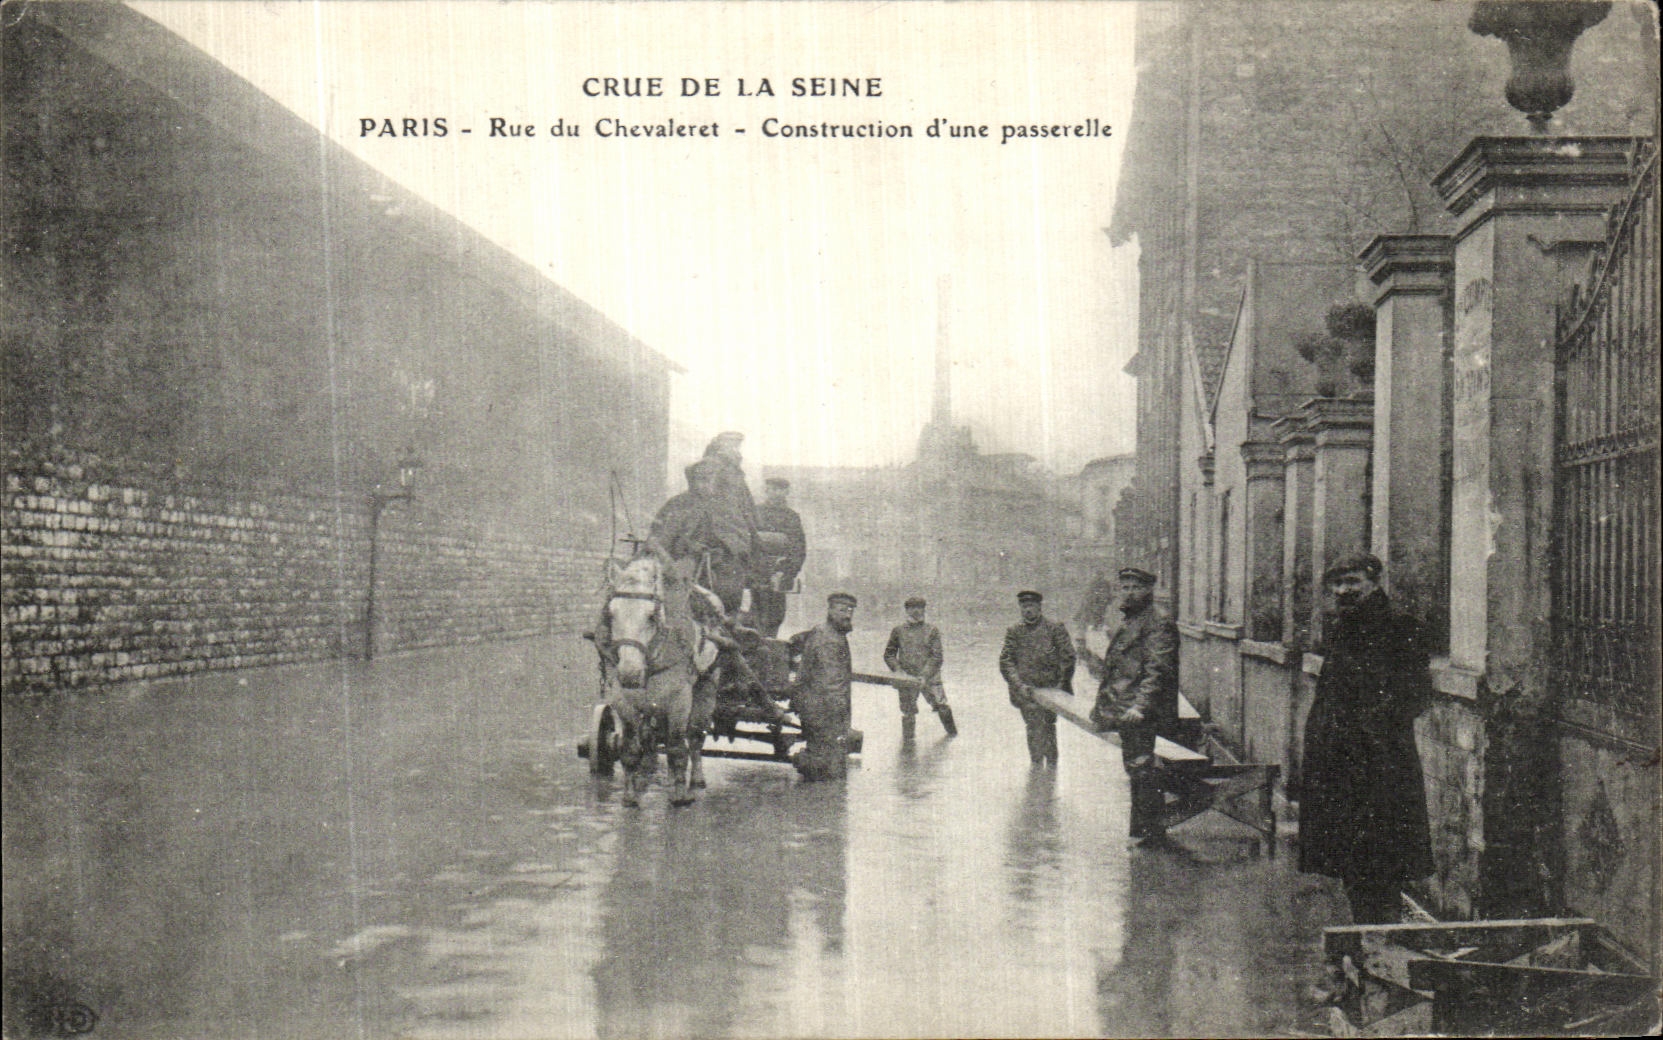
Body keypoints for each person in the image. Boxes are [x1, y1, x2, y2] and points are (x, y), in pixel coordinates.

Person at [1298, 552, 1434, 924]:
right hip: (1341, 764)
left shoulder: (1399, 627)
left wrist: (1371, 731)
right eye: (1338, 583)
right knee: (1353, 860)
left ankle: (1379, 937)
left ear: (1375, 583)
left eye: (1353, 582)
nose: (1344, 590)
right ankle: (1368, 936)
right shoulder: (1344, 627)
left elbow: (1416, 693)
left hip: (1379, 766)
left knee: (1379, 859)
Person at [1089, 567, 1180, 846]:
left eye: (1135, 588)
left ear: (1149, 590)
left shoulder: (1158, 622)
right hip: (1126, 707)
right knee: (1137, 767)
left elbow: (1158, 669)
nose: (1128, 593)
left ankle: (1150, 834)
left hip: (1144, 711)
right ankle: (1144, 832)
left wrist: (1140, 707)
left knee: (1142, 768)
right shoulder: (1133, 619)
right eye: (1124, 587)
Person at [647, 458, 749, 614]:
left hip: (713, 564)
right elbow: (657, 533)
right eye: (699, 480)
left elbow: (737, 540)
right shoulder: (677, 503)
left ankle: (724, 617)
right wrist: (666, 556)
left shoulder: (726, 506)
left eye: (708, 480)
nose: (703, 485)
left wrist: (705, 551)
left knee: (726, 583)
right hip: (671, 559)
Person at [999, 590, 1076, 768]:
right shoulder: (1014, 631)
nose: (1028, 610)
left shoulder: (1055, 628)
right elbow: (1006, 661)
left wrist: (1060, 685)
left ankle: (1051, 768)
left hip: (1052, 689)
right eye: (1024, 606)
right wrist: (1019, 685)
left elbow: (1068, 657)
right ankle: (1036, 767)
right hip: (1026, 690)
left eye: (1031, 606)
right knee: (1033, 725)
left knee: (1048, 724)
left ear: (1039, 607)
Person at [789, 593, 858, 781]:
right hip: (824, 711)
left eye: (850, 611)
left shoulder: (825, 632)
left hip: (816, 708)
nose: (848, 615)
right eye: (842, 610)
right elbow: (831, 683)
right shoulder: (829, 639)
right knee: (829, 771)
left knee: (822, 765)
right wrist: (841, 721)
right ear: (830, 610)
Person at [700, 431, 759, 614]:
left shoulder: (734, 470)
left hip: (734, 525)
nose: (735, 449)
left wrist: (753, 524)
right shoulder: (715, 466)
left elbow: (745, 501)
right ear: (720, 445)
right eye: (731, 444)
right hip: (722, 526)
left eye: (737, 445)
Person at [884, 596, 957, 740]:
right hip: (907, 678)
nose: (916, 611)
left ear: (924, 610)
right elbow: (889, 654)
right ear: (907, 610)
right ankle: (908, 746)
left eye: (919, 608)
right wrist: (898, 670)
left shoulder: (932, 631)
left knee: (941, 706)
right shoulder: (898, 631)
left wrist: (924, 675)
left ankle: (953, 737)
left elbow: (937, 657)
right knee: (908, 712)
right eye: (912, 608)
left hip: (930, 677)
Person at [752, 476, 807, 637]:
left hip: (779, 571)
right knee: (752, 614)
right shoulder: (755, 513)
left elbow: (798, 547)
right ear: (766, 491)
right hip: (755, 571)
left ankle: (769, 644)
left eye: (780, 490)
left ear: (786, 492)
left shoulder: (791, 517)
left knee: (775, 615)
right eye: (772, 489)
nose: (776, 493)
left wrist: (789, 572)